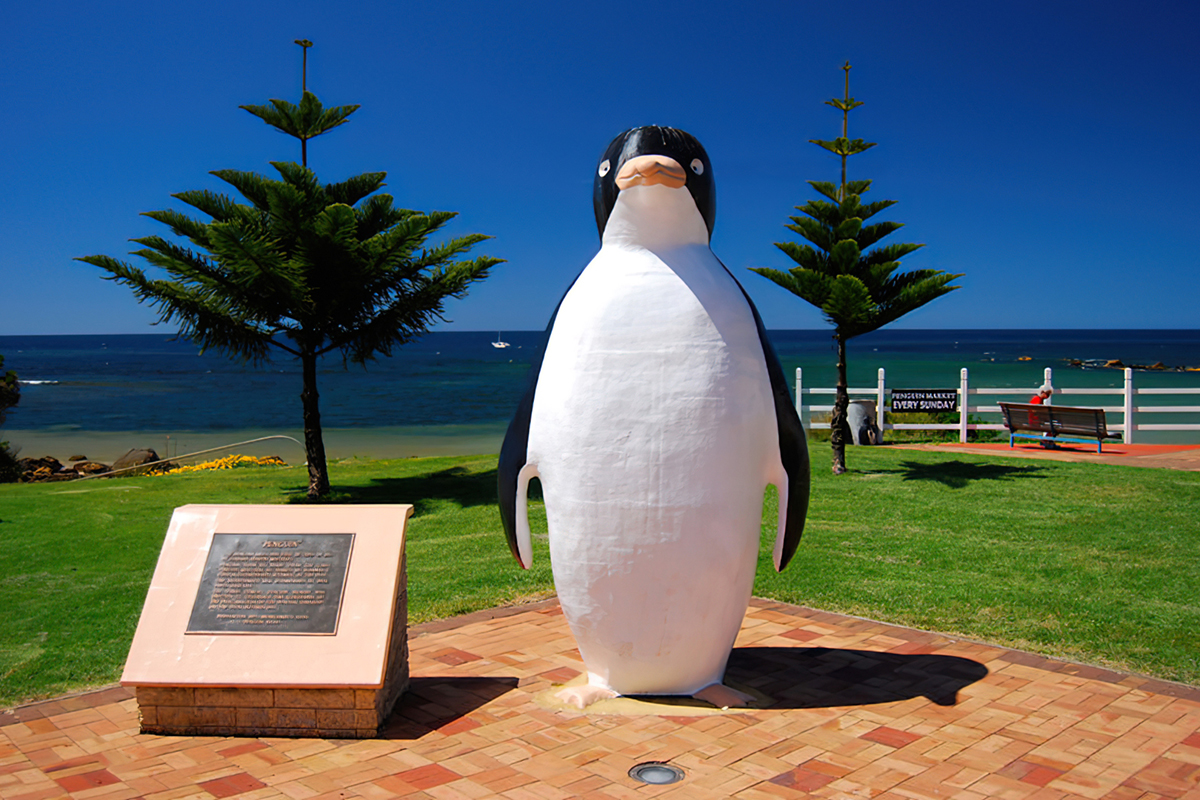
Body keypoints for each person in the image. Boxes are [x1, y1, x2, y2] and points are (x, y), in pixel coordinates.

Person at [1029, 383, 1057, 447]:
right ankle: (1047, 441)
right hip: (1035, 422)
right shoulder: (1037, 400)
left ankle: (1046, 440)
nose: (1048, 396)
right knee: (1054, 427)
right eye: (1047, 394)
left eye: (1049, 394)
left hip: (1033, 421)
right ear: (1042, 392)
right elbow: (1036, 411)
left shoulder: (1036, 399)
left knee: (1052, 426)